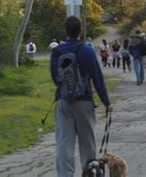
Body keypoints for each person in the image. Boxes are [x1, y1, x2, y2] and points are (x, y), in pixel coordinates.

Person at [50, 16, 113, 176]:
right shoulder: (87, 51)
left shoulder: (57, 52)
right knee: (87, 144)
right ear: (81, 30)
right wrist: (106, 103)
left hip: (63, 102)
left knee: (64, 143)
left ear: (65, 30)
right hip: (84, 101)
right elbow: (97, 79)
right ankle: (89, 172)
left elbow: (55, 78)